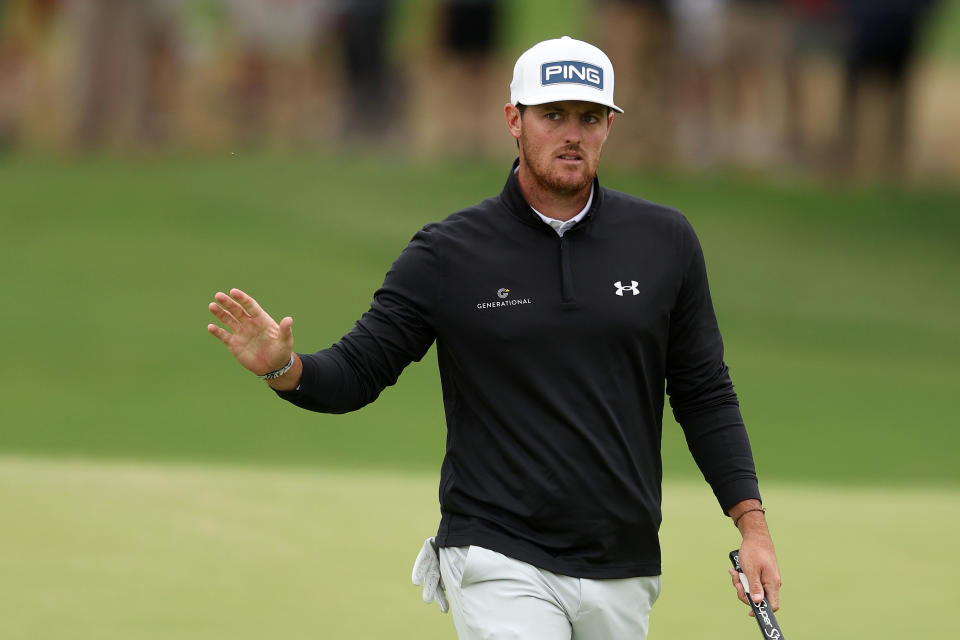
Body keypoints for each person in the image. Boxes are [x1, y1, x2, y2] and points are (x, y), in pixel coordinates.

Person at [207, 36, 782, 640]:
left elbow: (705, 394)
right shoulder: (449, 253)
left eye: (589, 118)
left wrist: (752, 527)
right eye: (552, 115)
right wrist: (285, 368)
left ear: (609, 126)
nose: (572, 133)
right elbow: (358, 371)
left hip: (623, 561)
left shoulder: (665, 242)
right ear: (514, 119)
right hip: (497, 553)